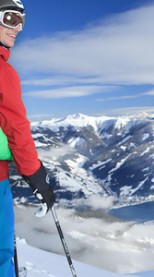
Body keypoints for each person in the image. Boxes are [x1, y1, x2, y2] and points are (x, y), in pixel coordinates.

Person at [0, 1, 55, 276]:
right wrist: (36, 176)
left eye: (21, 20)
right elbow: (16, 128)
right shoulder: (3, 72)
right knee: (1, 255)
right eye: (10, 18)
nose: (18, 27)